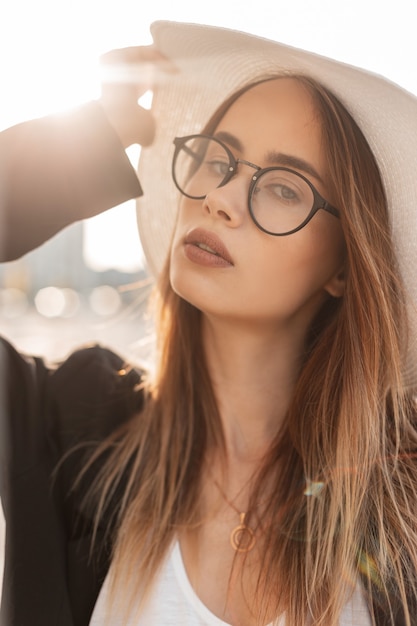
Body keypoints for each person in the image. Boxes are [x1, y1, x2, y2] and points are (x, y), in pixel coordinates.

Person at [1, 20, 417, 626]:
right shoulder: (71, 426)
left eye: (282, 188)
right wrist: (79, 146)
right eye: (218, 157)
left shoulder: (401, 506)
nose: (219, 197)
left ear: (345, 267)